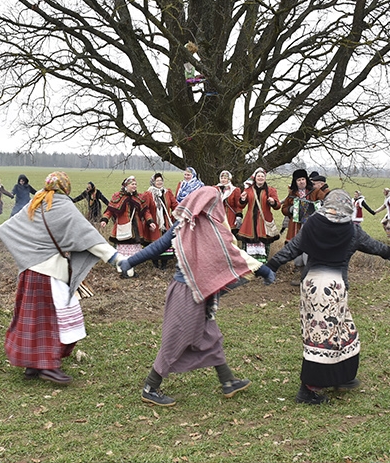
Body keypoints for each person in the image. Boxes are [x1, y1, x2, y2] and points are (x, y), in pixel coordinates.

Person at [120, 187, 269, 406]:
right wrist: (130, 261)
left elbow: (231, 255)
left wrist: (131, 262)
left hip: (201, 292)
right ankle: (150, 387)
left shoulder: (192, 226)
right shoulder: (196, 228)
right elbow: (234, 255)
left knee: (211, 335)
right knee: (176, 338)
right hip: (186, 292)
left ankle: (227, 381)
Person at [0, 171, 125, 384]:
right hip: (49, 274)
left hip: (29, 272)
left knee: (33, 320)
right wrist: (115, 257)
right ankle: (48, 365)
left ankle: (32, 364)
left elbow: (8, 226)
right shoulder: (63, 206)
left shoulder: (35, 202)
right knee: (53, 319)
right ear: (65, 187)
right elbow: (89, 237)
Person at [267, 190, 390, 405]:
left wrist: (272, 265)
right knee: (322, 340)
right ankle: (307, 391)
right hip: (333, 288)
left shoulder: (312, 224)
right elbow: (375, 247)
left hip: (311, 285)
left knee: (342, 332)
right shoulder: (352, 231)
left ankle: (341, 377)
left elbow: (292, 249)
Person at [100, 176, 157, 261]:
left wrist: (150, 221)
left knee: (134, 253)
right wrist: (105, 220)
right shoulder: (118, 197)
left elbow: (146, 211)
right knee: (123, 254)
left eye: (135, 184)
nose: (135, 186)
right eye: (132, 184)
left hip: (136, 229)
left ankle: (131, 270)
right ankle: (124, 270)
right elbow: (109, 210)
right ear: (126, 186)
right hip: (123, 227)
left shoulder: (139, 197)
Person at [145, 173, 178, 269]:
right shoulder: (148, 194)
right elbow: (145, 209)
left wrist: (180, 212)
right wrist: (149, 220)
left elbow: (174, 205)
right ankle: (155, 264)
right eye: (157, 181)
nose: (159, 182)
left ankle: (164, 264)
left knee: (165, 243)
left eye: (161, 180)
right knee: (155, 243)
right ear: (153, 182)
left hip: (165, 223)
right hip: (154, 223)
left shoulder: (167, 193)